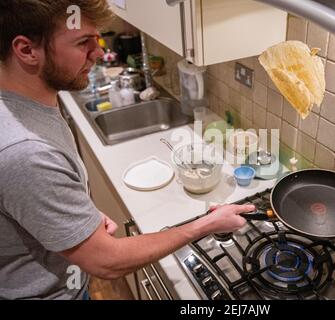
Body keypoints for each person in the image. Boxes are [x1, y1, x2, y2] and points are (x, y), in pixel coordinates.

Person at [0, 0, 253, 300]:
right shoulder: (27, 151)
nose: (98, 52)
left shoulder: (27, 107)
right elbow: (108, 262)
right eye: (83, 42)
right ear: (27, 51)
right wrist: (207, 224)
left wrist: (80, 216)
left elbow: (32, 198)